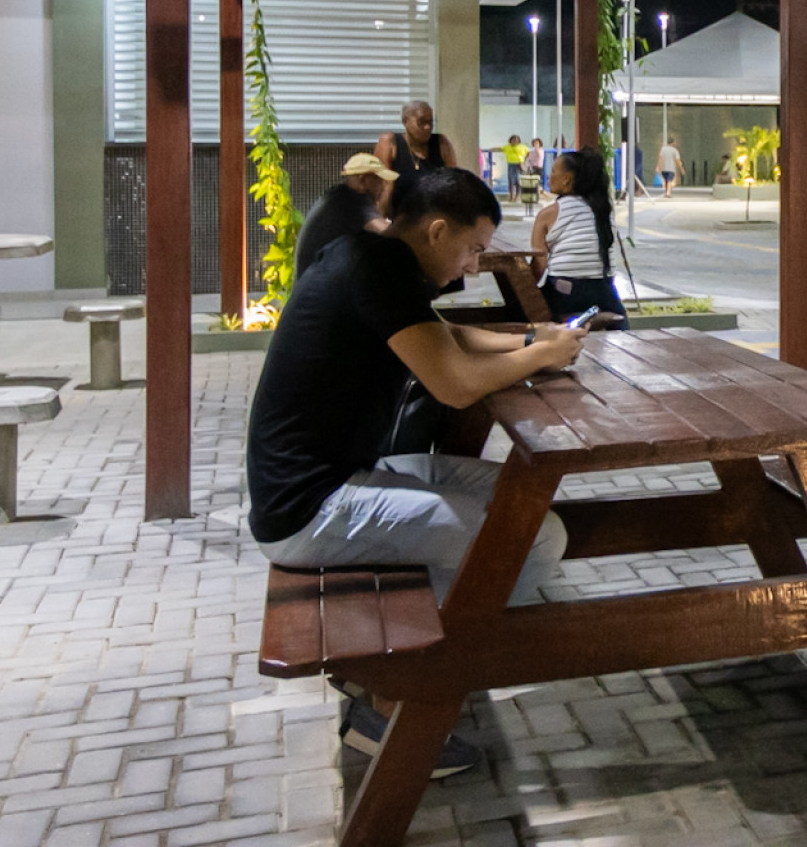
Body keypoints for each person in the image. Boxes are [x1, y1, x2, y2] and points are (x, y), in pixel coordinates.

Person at [245, 168, 586, 775]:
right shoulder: (376, 269)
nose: (474, 266)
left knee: (522, 506)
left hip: (343, 477)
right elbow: (454, 385)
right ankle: (392, 698)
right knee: (529, 537)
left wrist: (530, 339)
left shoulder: (369, 257)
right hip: (312, 508)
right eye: (473, 248)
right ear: (435, 231)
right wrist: (541, 354)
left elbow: (444, 335)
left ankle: (398, 660)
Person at [531, 147, 629, 327]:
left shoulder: (549, 213)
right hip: (603, 289)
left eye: (553, 171)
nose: (548, 177)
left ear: (567, 179)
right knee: (621, 321)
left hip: (566, 291)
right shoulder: (603, 209)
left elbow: (539, 264)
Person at [294, 153, 397, 278]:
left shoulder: (337, 196)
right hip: (321, 289)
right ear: (363, 180)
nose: (383, 186)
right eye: (379, 180)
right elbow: (390, 233)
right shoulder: (352, 200)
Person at [375, 101, 458, 194]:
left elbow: (453, 182)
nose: (427, 127)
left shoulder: (441, 142)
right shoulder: (390, 143)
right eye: (421, 122)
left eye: (430, 122)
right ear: (405, 121)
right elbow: (381, 189)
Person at [500, 134, 528, 198]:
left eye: (516, 140)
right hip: (511, 164)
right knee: (511, 180)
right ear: (510, 140)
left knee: (518, 180)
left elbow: (528, 153)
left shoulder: (523, 147)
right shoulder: (507, 147)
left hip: (519, 164)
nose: (515, 141)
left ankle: (517, 195)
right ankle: (511, 195)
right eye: (513, 140)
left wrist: (524, 161)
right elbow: (500, 148)